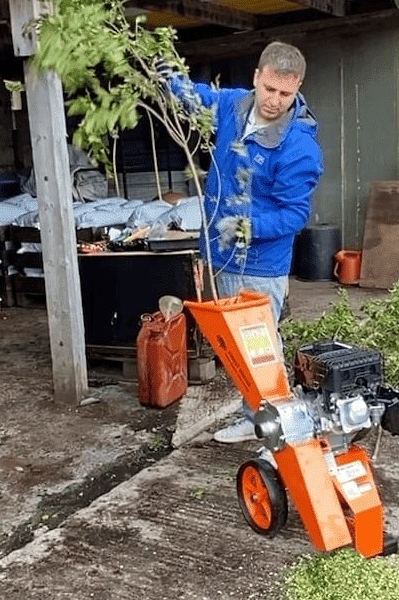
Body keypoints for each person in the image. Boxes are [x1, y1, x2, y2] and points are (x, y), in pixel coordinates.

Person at [157, 41, 323, 442]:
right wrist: (167, 78)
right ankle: (258, 419)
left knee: (261, 352)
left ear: (297, 87)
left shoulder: (299, 147)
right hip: (220, 252)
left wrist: (249, 227)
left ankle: (281, 432)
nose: (273, 101)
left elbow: (294, 214)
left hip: (260, 266)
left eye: (285, 94)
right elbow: (199, 96)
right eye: (269, 89)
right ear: (257, 77)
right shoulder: (234, 105)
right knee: (236, 349)